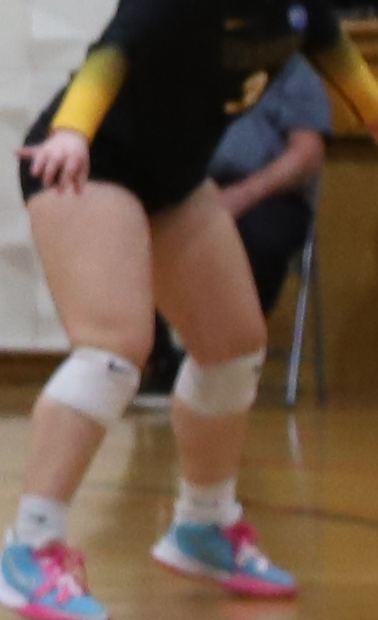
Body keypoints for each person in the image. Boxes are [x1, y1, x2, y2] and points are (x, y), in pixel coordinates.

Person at [0, 0, 378, 620]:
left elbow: (326, 42)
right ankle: (29, 547)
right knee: (117, 347)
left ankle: (203, 524)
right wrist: (73, 133)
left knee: (231, 346)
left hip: (173, 178)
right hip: (89, 165)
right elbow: (112, 51)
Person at [134, 59, 329, 403]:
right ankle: (163, 361)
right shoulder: (183, 61)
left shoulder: (293, 72)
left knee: (261, 239)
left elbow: (307, 155)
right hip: (193, 186)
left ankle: (227, 358)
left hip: (266, 193)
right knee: (134, 227)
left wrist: (242, 195)